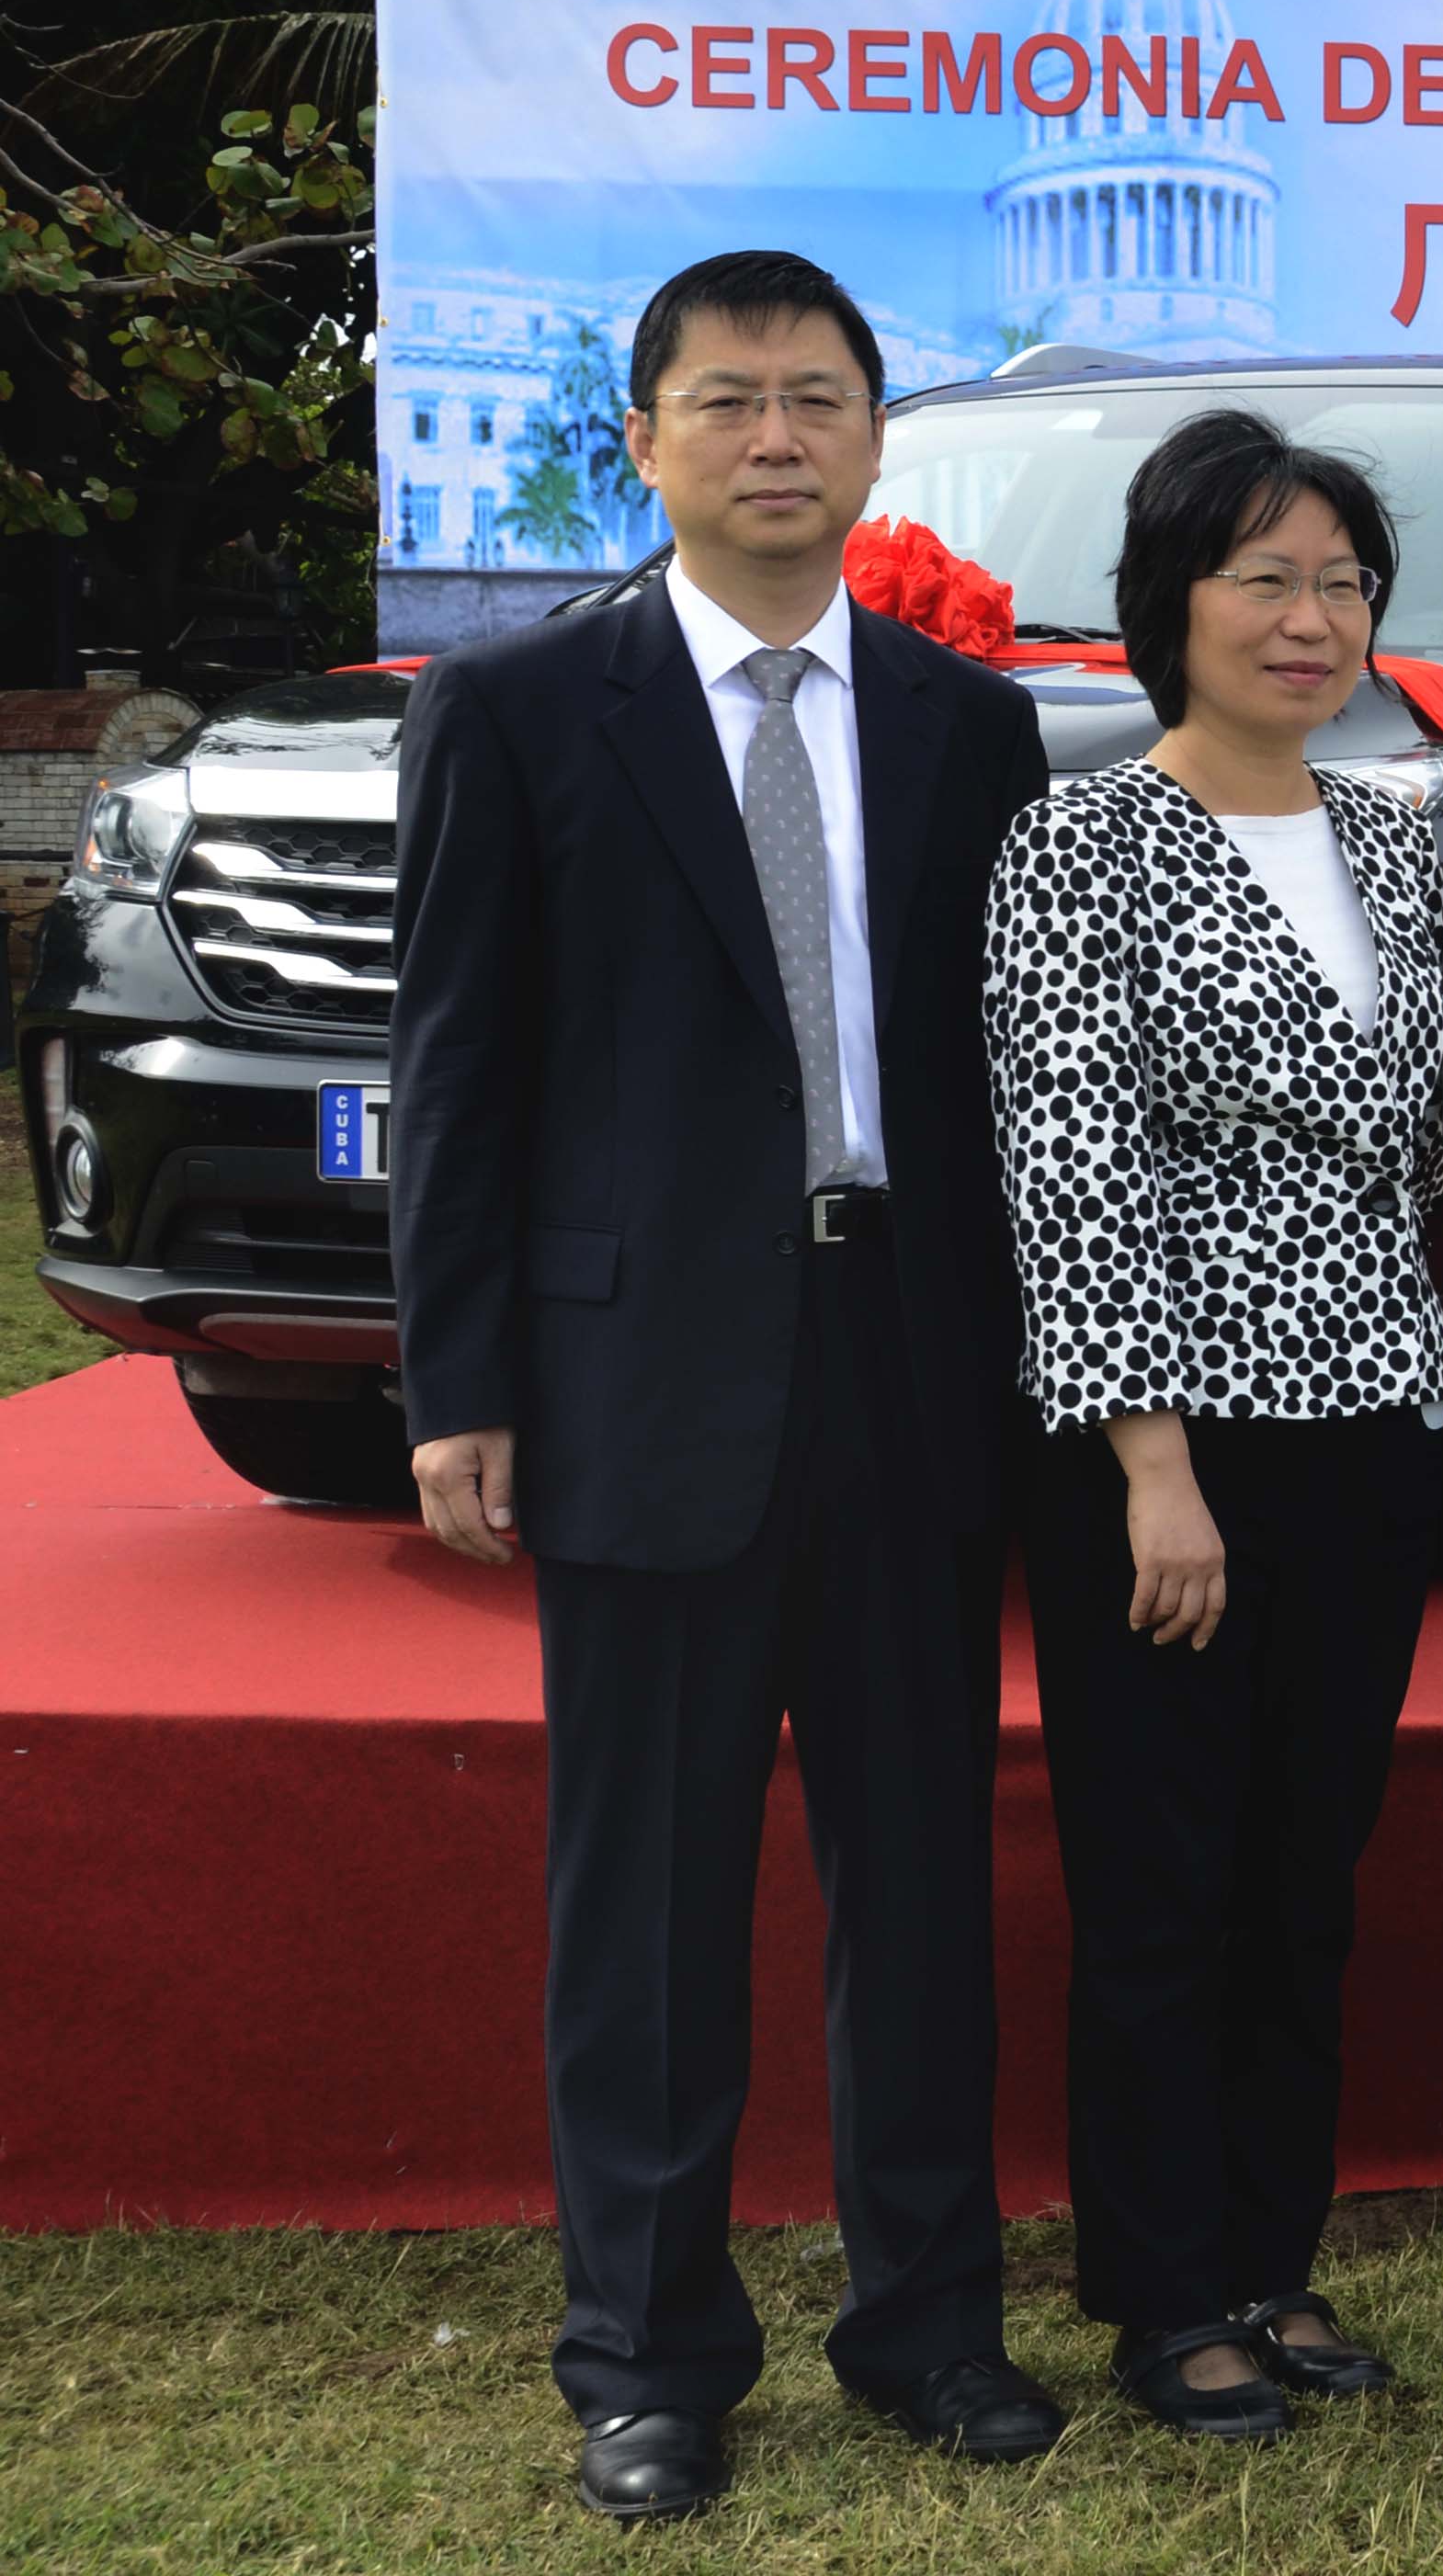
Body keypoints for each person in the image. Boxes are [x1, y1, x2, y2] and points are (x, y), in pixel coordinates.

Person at [388, 251, 1058, 2520]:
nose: (777, 440)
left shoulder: (965, 724)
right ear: (650, 439)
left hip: (908, 1358)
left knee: (920, 1886)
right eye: (728, 402)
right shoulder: (519, 712)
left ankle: (928, 2324)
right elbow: (458, 1071)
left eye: (818, 402)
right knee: (651, 1903)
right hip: (639, 1376)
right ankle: (647, 2354)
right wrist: (458, 1381)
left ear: (877, 443)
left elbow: (1004, 1085)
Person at [985, 411, 1443, 2439]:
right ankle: (1161, 2292)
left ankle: (1271, 2263)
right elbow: (1071, 1160)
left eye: (1343, 578)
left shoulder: (1398, 833)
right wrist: (1151, 1468)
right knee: (1164, 1881)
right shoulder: (1077, 840)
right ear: (1167, 601)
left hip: (1373, 1421)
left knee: (1304, 1871)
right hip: (1166, 1454)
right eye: (1263, 574)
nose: (1309, 616)